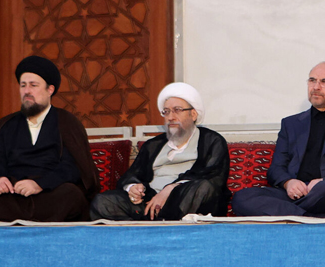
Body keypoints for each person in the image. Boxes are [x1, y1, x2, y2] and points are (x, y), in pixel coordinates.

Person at [0, 55, 99, 223]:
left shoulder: (66, 122)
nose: (27, 91)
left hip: (49, 194)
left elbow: (74, 168)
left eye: (33, 85)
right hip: (13, 194)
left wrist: (39, 184)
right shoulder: (6, 125)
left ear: (50, 90)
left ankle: (0, 220)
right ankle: (29, 220)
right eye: (23, 85)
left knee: (71, 195)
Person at [231, 62, 325, 218]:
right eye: (312, 80)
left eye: (324, 82)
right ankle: (316, 218)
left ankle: (292, 215)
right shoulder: (291, 124)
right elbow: (276, 168)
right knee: (242, 198)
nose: (316, 87)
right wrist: (288, 182)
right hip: (297, 194)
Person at [90, 82, 230, 221]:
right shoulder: (153, 145)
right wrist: (133, 187)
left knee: (204, 188)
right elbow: (133, 174)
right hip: (149, 202)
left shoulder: (212, 140)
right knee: (103, 202)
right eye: (166, 111)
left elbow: (214, 175)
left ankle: (155, 223)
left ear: (193, 114)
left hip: (184, 200)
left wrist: (170, 189)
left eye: (177, 110)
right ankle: (157, 222)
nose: (170, 117)